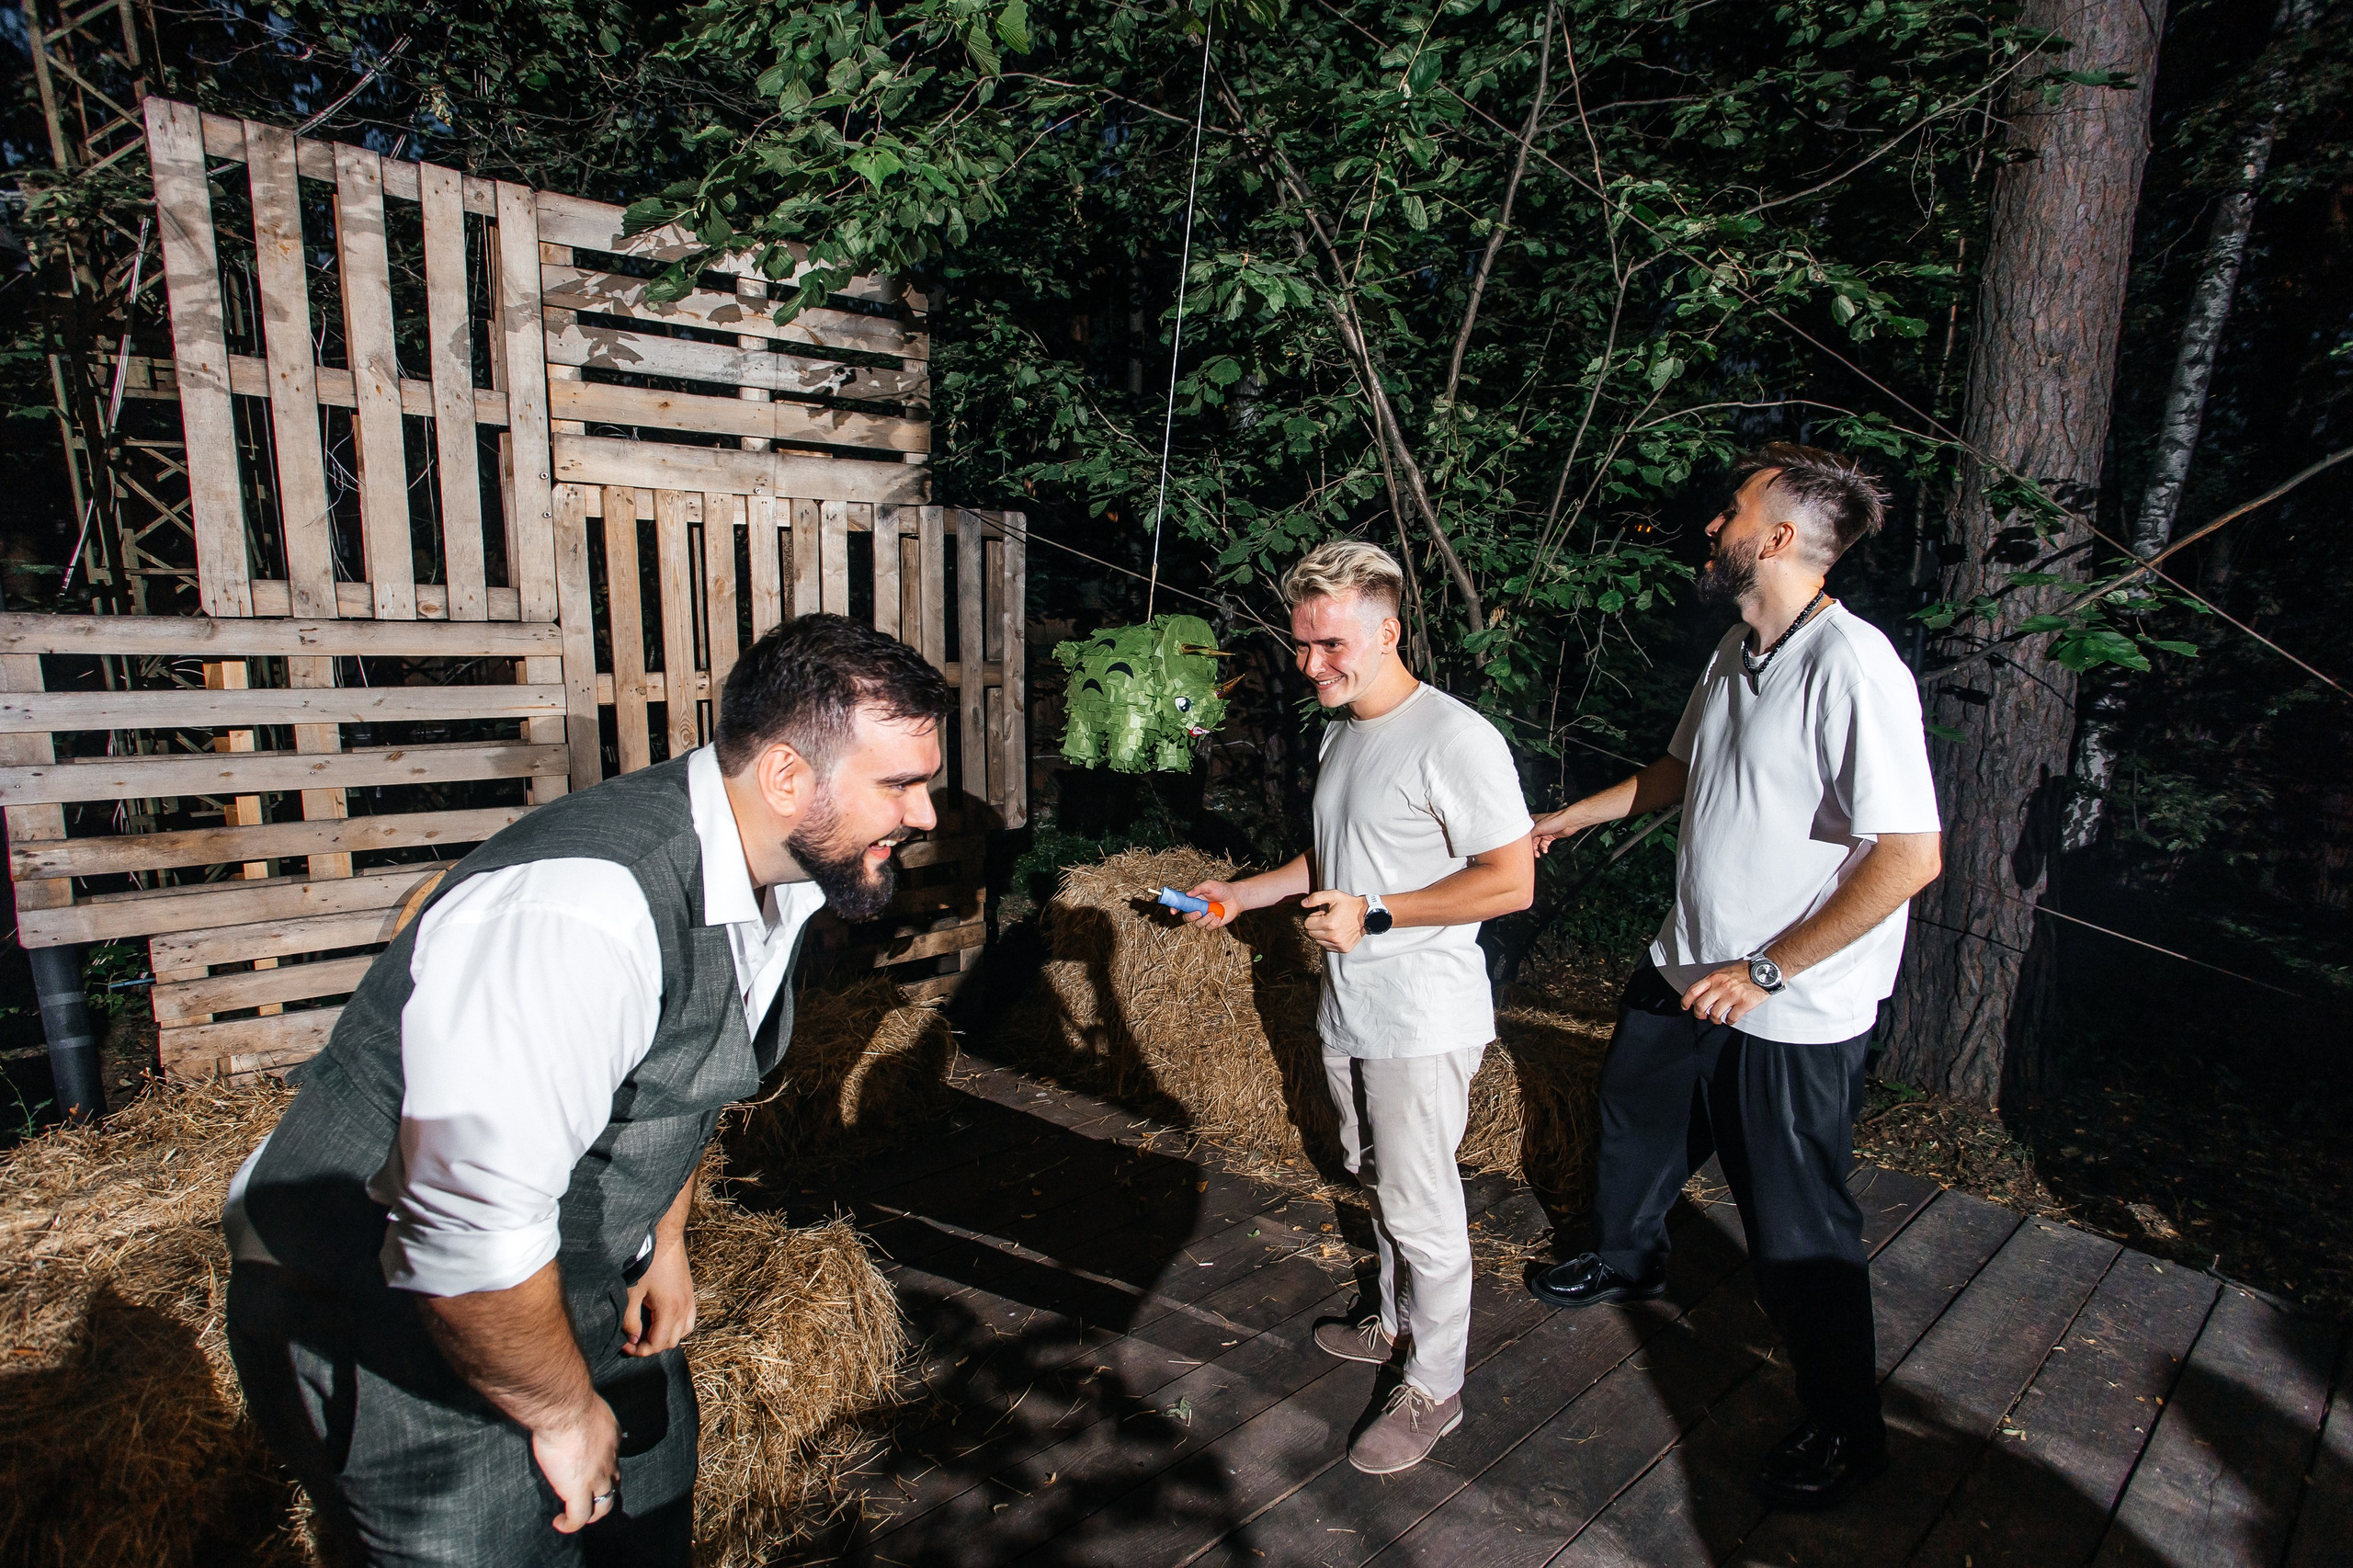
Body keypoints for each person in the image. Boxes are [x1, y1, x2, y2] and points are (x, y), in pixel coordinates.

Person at [222, 614, 953, 1565]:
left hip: (563, 1277)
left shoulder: (784, 877)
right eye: (899, 783)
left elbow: (682, 1074)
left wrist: (668, 1239)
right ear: (783, 776)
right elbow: (461, 1236)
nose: (928, 814)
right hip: (390, 1308)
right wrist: (564, 1413)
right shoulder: (582, 914)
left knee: (651, 1510)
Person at [1526, 445, 1942, 1509]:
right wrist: (1567, 818)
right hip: (1689, 961)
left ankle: (1849, 1429)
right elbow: (1680, 770)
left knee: (1796, 1224)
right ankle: (1627, 1260)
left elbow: (1909, 855)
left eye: (1734, 511)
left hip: (1788, 1000)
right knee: (1635, 1113)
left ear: (1782, 537)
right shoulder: (1736, 647)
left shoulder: (1854, 664)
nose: (1714, 526)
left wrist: (1766, 968)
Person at [1183, 540, 1534, 1475]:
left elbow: (1509, 883)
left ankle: (1438, 1384)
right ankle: (1394, 1322)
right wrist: (1240, 896)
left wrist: (1379, 914)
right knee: (1373, 1174)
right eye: (1302, 645)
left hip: (1422, 1013)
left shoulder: (1455, 738)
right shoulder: (1345, 732)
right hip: (1352, 1002)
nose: (1311, 665)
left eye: (1331, 645)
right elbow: (1337, 858)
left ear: (1388, 630)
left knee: (1423, 1206)